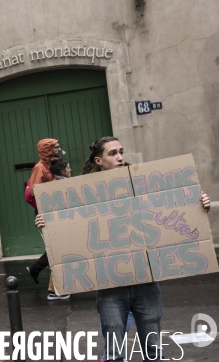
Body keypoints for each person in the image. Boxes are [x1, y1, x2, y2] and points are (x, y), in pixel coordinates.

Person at [35, 136, 212, 362]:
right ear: (99, 160)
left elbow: (170, 208)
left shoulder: (141, 181)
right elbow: (67, 225)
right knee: (114, 352)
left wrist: (199, 205)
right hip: (110, 284)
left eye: (121, 151)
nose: (119, 157)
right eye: (112, 153)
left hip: (145, 280)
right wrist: (46, 222)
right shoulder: (79, 193)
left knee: (153, 350)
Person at [25, 138, 67, 300]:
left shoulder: (51, 165)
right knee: (56, 247)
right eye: (56, 147)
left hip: (54, 211)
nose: (59, 149)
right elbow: (35, 191)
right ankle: (53, 289)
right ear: (48, 149)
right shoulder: (39, 168)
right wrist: (56, 185)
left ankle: (37, 271)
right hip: (45, 213)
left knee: (58, 247)